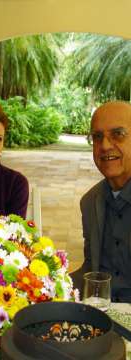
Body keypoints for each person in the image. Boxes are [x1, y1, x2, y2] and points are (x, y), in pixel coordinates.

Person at [72, 101, 131, 302]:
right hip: (102, 316)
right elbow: (91, 269)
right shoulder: (90, 202)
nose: (105, 145)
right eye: (97, 137)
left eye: (118, 134)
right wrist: (48, 284)